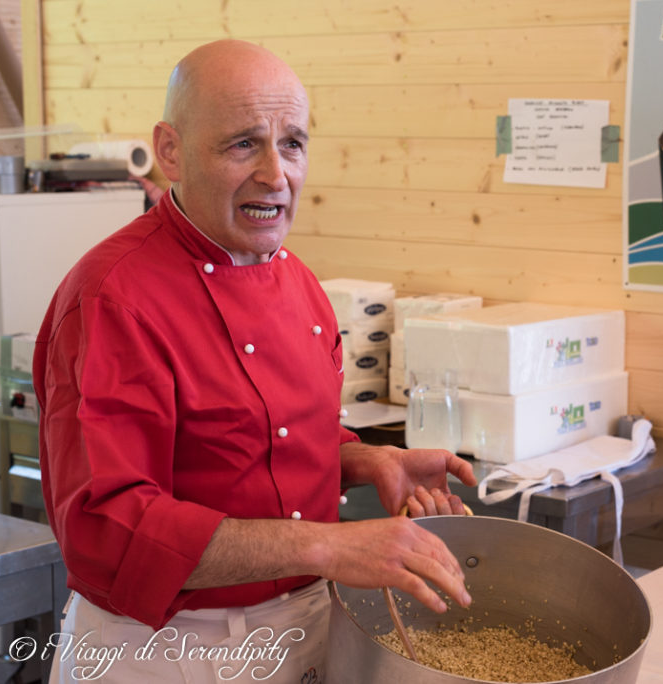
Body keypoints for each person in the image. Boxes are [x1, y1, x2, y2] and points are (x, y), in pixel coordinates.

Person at [34, 39, 475, 683]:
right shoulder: (113, 299)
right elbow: (109, 529)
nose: (276, 174)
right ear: (171, 151)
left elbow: (264, 447)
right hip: (160, 649)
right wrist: (331, 542)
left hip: (305, 626)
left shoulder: (301, 286)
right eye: (244, 143)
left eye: (292, 143)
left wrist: (365, 460)